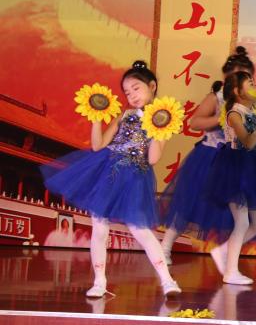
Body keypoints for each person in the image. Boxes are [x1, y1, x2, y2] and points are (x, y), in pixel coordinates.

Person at [42, 60, 181, 298]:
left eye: (136, 88)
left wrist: (157, 131)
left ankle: (167, 281)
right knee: (99, 227)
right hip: (108, 171)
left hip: (136, 177)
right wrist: (96, 117)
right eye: (127, 92)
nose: (131, 95)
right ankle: (99, 281)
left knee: (140, 230)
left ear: (152, 86)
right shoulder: (124, 115)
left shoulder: (163, 118)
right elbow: (98, 145)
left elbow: (153, 159)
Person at [159, 47, 256, 267]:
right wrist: (220, 119)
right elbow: (195, 122)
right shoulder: (217, 97)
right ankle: (165, 247)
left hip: (245, 160)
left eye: (247, 78)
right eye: (236, 77)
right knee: (189, 200)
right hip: (211, 156)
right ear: (227, 79)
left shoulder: (253, 103)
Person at [205, 70, 256, 285]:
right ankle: (230, 271)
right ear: (237, 91)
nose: (255, 86)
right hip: (234, 168)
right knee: (242, 222)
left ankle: (223, 252)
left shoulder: (253, 112)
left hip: (252, 166)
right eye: (250, 83)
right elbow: (248, 142)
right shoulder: (234, 114)